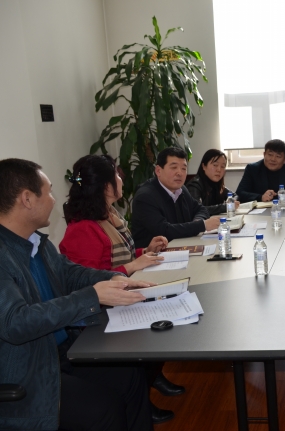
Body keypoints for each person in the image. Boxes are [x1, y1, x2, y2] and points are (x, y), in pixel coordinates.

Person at [0, 158, 154, 431]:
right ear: (27, 199)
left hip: (59, 352)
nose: (54, 199)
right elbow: (16, 322)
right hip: (27, 370)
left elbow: (71, 273)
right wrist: (92, 296)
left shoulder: (36, 242)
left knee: (131, 376)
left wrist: (116, 279)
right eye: (48, 192)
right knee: (103, 409)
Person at [58, 154, 184, 424]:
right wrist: (132, 266)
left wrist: (144, 251)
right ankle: (144, 390)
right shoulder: (83, 229)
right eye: (117, 175)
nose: (121, 180)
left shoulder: (109, 215)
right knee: (163, 322)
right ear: (106, 186)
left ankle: (151, 378)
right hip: (101, 314)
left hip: (121, 299)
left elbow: (119, 257)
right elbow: (89, 282)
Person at [131, 146, 221, 248]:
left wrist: (197, 221)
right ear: (158, 171)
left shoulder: (182, 189)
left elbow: (201, 209)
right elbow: (165, 231)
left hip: (182, 247)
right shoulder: (145, 197)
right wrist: (202, 225)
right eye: (174, 168)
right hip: (155, 255)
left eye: (184, 168)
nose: (180, 173)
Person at [235, 139, 285, 204]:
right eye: (270, 155)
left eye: (278, 156)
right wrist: (260, 197)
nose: (273, 159)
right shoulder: (252, 169)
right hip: (259, 212)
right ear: (264, 154)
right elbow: (239, 193)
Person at [186, 148, 240, 215]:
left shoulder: (217, 184)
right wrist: (226, 207)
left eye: (223, 166)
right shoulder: (194, 185)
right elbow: (198, 209)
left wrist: (231, 201)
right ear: (204, 166)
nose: (219, 169)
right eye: (215, 165)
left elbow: (235, 195)